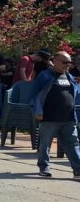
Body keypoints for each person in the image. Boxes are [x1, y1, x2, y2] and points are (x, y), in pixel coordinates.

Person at [31, 51, 80, 179]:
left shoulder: (69, 77)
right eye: (65, 62)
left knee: (73, 144)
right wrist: (38, 111)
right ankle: (44, 166)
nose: (67, 65)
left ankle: (78, 169)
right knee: (45, 144)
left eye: (69, 62)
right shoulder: (45, 76)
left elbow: (75, 94)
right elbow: (34, 94)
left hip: (68, 118)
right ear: (55, 60)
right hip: (49, 117)